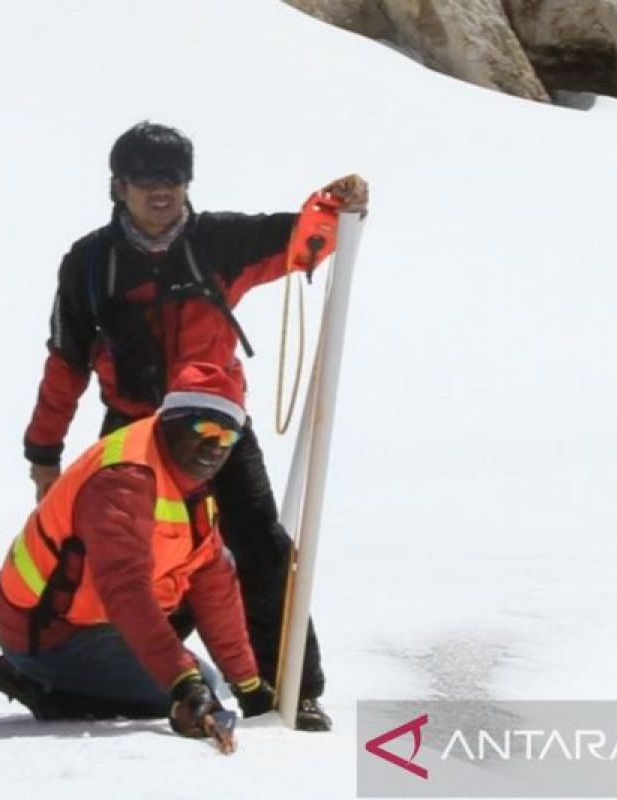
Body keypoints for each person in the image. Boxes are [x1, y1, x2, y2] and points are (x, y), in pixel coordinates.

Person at [21, 121, 369, 730]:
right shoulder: (89, 264)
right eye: (149, 181)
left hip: (216, 430)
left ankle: (291, 691)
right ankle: (102, 679)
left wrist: (337, 203)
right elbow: (66, 360)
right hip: (132, 438)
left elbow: (308, 237)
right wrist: (44, 453)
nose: (163, 193)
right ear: (119, 186)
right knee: (127, 567)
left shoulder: (220, 242)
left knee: (258, 547)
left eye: (175, 181)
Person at [0, 363, 276, 738]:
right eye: (204, 428)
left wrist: (248, 684)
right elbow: (127, 589)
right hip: (47, 630)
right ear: (171, 420)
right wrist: (182, 685)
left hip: (94, 618)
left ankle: (79, 679)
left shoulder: (190, 481)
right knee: (194, 684)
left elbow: (213, 583)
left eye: (228, 435)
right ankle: (42, 684)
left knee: (207, 678)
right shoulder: (125, 478)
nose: (215, 444)